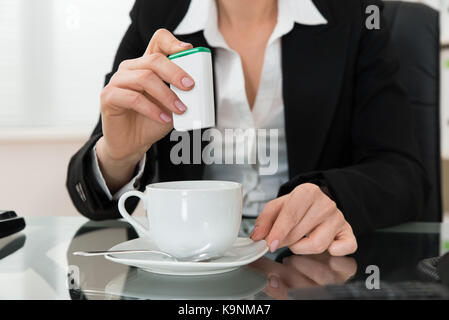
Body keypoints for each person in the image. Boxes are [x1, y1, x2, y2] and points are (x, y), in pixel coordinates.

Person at [66, 0, 429, 257]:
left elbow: (404, 175)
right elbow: (90, 198)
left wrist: (331, 194)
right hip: (193, 267)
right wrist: (118, 155)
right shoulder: (158, 12)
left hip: (314, 264)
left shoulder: (355, 13)